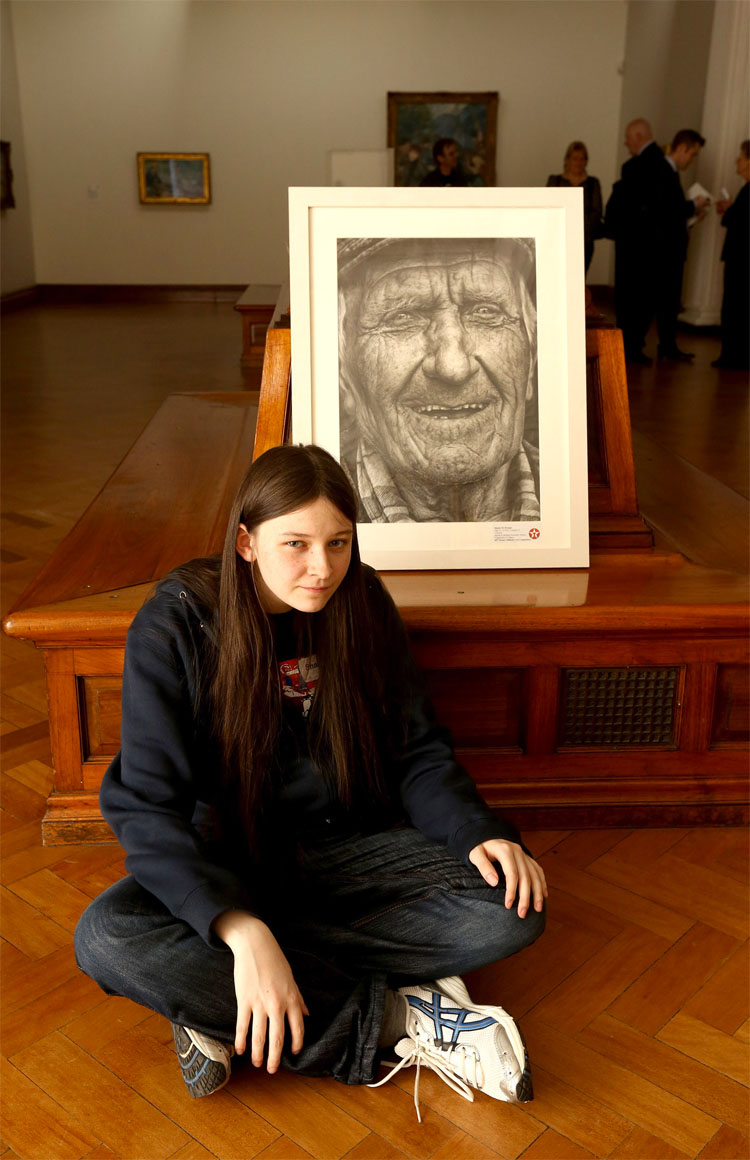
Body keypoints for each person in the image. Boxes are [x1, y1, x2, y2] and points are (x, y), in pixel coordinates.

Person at [74, 444, 547, 1117]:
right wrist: (239, 928)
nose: (321, 568)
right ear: (246, 542)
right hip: (229, 863)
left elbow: (418, 754)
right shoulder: (177, 622)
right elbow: (148, 808)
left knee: (511, 907)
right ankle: (402, 1019)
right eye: (294, 544)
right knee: (106, 936)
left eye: (338, 543)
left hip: (349, 849)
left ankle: (216, 999)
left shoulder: (364, 604)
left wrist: (477, 832)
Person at [337, 236, 540, 523]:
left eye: (485, 311)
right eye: (402, 316)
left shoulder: (567, 500)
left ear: (530, 362)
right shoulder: (317, 512)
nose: (453, 367)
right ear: (344, 372)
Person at [605, 120, 709, 364]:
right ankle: (637, 346)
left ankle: (638, 345)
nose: (625, 142)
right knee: (646, 300)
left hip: (642, 245)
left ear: (638, 136)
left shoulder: (643, 164)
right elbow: (661, 209)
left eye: (628, 137)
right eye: (692, 154)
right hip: (650, 246)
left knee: (642, 299)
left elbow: (656, 209)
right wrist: (692, 207)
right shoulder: (656, 165)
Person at [713, 139, 749, 371]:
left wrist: (730, 211)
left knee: (735, 307)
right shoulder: (746, 189)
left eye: (741, 156)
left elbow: (739, 221)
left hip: (741, 259)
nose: (737, 160)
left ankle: (733, 356)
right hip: (741, 258)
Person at [546, 140, 603, 271]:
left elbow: (596, 212)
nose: (578, 162)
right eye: (575, 158)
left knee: (578, 278)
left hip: (584, 241)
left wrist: (579, 231)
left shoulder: (593, 184)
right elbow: (548, 208)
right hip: (558, 239)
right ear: (567, 159)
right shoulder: (555, 181)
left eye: (582, 159)